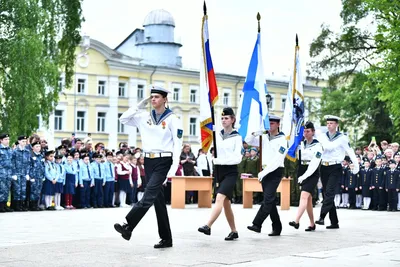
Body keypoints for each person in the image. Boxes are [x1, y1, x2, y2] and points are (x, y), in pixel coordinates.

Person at [114, 85, 183, 249]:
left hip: (164, 160)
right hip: (149, 161)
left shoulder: (173, 119)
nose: (153, 99)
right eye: (151, 97)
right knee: (158, 201)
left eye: (157, 97)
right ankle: (166, 238)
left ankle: (128, 225)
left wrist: (172, 171)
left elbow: (177, 146)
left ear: (165, 99)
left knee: (148, 195)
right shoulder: (144, 116)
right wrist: (139, 105)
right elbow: (123, 119)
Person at [198, 107, 242, 241]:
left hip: (230, 172)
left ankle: (208, 225)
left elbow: (237, 158)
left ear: (233, 120)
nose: (224, 120)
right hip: (218, 171)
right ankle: (234, 231)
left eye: (227, 118)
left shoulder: (237, 137)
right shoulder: (217, 135)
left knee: (219, 198)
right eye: (222, 118)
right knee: (226, 203)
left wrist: (220, 160)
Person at [245, 115, 288, 236]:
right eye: (268, 124)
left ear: (278, 125)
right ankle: (277, 227)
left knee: (268, 199)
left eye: (273, 124)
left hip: (275, 171)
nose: (270, 126)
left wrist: (264, 172)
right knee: (270, 201)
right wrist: (255, 133)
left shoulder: (282, 139)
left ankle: (257, 224)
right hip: (264, 172)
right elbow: (248, 141)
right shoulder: (263, 137)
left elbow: (278, 160)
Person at [315, 115, 359, 229]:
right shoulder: (322, 136)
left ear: (336, 125)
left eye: (331, 123)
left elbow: (350, 151)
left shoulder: (342, 137)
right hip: (324, 167)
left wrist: (356, 165)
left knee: (329, 192)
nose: (329, 125)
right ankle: (334, 222)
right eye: (328, 123)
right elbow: (317, 151)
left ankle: (321, 217)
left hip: (335, 166)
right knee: (326, 194)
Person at [289, 121, 322, 231]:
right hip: (302, 170)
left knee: (303, 196)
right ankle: (312, 224)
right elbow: (298, 159)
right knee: (308, 200)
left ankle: (296, 221)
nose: (305, 133)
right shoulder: (300, 144)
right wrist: (300, 175)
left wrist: (305, 176)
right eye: (304, 131)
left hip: (312, 172)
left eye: (308, 131)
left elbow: (314, 164)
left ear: (313, 132)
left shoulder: (317, 145)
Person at [11, 135, 31, 211]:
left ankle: (22, 205)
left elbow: (28, 163)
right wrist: (13, 173)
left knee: (23, 190)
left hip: (24, 174)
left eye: (25, 141)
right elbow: (12, 163)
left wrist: (27, 173)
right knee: (17, 190)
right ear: (19, 141)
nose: (24, 143)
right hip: (17, 173)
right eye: (23, 141)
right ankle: (16, 205)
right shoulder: (15, 151)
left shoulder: (27, 152)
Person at [0, 133, 14, 212]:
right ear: (1, 140)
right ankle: (1, 206)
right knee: (1, 189)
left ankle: (5, 205)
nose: (7, 141)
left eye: (8, 139)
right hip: (1, 172)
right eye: (5, 139)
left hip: (8, 173)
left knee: (6, 190)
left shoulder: (9, 149)